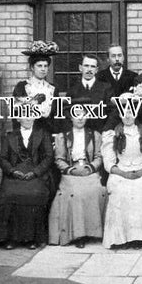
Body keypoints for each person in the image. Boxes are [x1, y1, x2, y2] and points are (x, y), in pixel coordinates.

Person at [101, 89, 142, 249]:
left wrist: (141, 172)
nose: (127, 116)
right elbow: (109, 162)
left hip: (141, 171)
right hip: (120, 171)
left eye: (131, 112)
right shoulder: (112, 135)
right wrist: (123, 173)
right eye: (124, 112)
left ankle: (137, 238)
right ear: (119, 114)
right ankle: (119, 238)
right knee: (120, 190)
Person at [48, 103, 106, 248]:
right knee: (76, 193)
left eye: (83, 115)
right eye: (76, 115)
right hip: (71, 172)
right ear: (71, 118)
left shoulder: (95, 135)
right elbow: (59, 159)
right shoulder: (63, 137)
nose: (80, 118)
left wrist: (90, 167)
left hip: (89, 170)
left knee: (97, 190)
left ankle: (93, 232)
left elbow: (99, 156)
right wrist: (70, 170)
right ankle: (78, 234)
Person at [0, 116, 53, 250]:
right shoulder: (10, 137)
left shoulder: (43, 135)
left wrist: (36, 172)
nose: (28, 119)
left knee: (34, 194)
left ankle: (31, 238)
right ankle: (10, 238)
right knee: (9, 195)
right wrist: (12, 171)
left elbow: (48, 157)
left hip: (36, 175)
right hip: (14, 175)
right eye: (24, 116)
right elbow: (3, 159)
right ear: (18, 119)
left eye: (31, 116)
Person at [13, 40, 60, 134]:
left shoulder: (53, 88)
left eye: (45, 66)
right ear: (32, 67)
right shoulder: (22, 87)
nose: (43, 69)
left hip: (48, 134)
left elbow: (56, 116)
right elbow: (16, 114)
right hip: (28, 134)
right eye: (39, 66)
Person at [66, 54, 113, 134]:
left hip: (101, 134)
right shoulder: (72, 90)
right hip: (79, 135)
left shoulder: (106, 88)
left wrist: (105, 131)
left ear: (97, 70)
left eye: (92, 66)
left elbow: (112, 112)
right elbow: (67, 114)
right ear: (80, 68)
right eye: (86, 66)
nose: (89, 69)